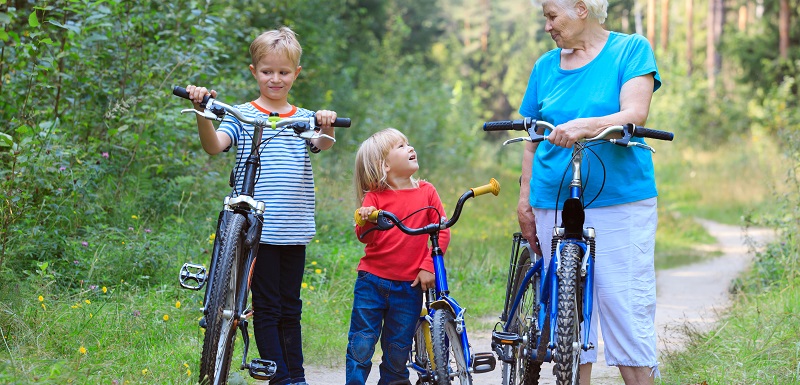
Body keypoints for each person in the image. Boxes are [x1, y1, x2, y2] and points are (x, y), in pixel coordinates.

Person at [516, 1, 662, 384]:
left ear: (582, 9)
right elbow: (531, 140)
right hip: (551, 196)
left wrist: (585, 125)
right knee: (569, 312)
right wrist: (524, 198)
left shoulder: (630, 50)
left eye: (552, 16)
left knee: (623, 305)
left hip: (621, 198)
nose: (547, 26)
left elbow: (635, 114)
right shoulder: (544, 66)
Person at [184, 26, 339, 385]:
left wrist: (327, 123)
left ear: (295, 74)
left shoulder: (303, 118)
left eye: (284, 72)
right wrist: (201, 113)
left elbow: (323, 143)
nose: (275, 79)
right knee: (268, 307)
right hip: (257, 232)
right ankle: (281, 377)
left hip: (293, 229)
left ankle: (295, 375)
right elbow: (214, 145)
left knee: (291, 307)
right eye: (267, 71)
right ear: (254, 72)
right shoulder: (240, 114)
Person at [348, 128, 451, 385]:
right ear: (383, 164)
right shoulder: (374, 198)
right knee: (362, 343)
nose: (410, 148)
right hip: (371, 282)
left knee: (397, 349)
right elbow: (366, 237)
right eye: (401, 146)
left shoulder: (427, 192)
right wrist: (366, 217)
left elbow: (442, 232)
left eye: (408, 143)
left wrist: (428, 266)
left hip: (409, 286)